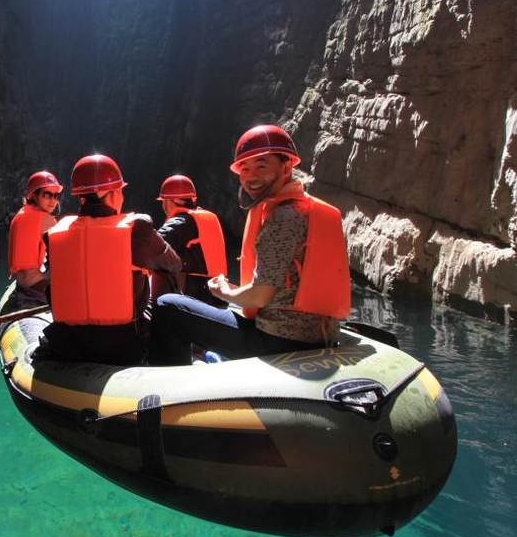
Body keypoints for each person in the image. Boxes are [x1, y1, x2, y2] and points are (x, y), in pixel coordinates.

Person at [149, 125, 351, 364]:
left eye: (261, 166)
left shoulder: (283, 217)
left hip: (277, 342)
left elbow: (259, 297)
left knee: (167, 306)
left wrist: (222, 291)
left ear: (286, 166)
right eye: (244, 169)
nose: (251, 176)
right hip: (317, 334)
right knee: (226, 310)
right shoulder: (307, 209)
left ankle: (173, 390)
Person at [38, 154, 182, 365]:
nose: (122, 196)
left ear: (80, 197)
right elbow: (174, 264)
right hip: (123, 344)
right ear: (112, 194)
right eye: (121, 191)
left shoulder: (53, 235)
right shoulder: (136, 229)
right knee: (165, 291)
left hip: (67, 342)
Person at [153, 174, 228, 307]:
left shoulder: (182, 222)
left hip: (197, 299)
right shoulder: (205, 218)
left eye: (164, 201)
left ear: (170, 201)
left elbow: (152, 245)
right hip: (219, 296)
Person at [3, 170, 62, 312]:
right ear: (34, 196)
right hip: (35, 286)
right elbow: (64, 255)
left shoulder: (21, 214)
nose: (53, 200)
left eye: (56, 195)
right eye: (47, 195)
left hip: (22, 283)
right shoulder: (46, 220)